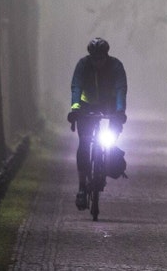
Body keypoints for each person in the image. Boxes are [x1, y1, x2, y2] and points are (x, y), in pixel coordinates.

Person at [68, 37, 127, 210]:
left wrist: (120, 111)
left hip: (109, 105)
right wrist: (75, 108)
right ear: (90, 57)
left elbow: (121, 89)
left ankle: (108, 162)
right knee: (84, 144)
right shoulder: (83, 65)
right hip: (86, 107)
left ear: (106, 56)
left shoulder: (116, 66)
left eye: (101, 58)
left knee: (111, 138)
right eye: (94, 59)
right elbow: (76, 87)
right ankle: (81, 187)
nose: (97, 62)